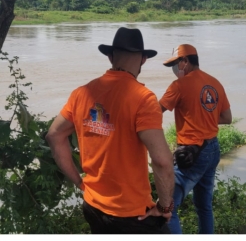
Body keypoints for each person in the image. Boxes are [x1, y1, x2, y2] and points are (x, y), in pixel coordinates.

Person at [45, 27, 175, 234]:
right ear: (143, 59)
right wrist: (165, 206)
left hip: (93, 206)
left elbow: (54, 135)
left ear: (110, 57)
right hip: (132, 214)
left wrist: (80, 182)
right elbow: (162, 161)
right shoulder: (143, 98)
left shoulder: (81, 93)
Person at [159, 44, 232, 234]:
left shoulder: (179, 86)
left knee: (168, 206)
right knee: (204, 206)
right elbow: (226, 118)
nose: (175, 69)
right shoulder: (215, 82)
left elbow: (154, 112)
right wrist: (202, 116)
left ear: (185, 61)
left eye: (176, 64)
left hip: (191, 154)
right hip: (213, 149)